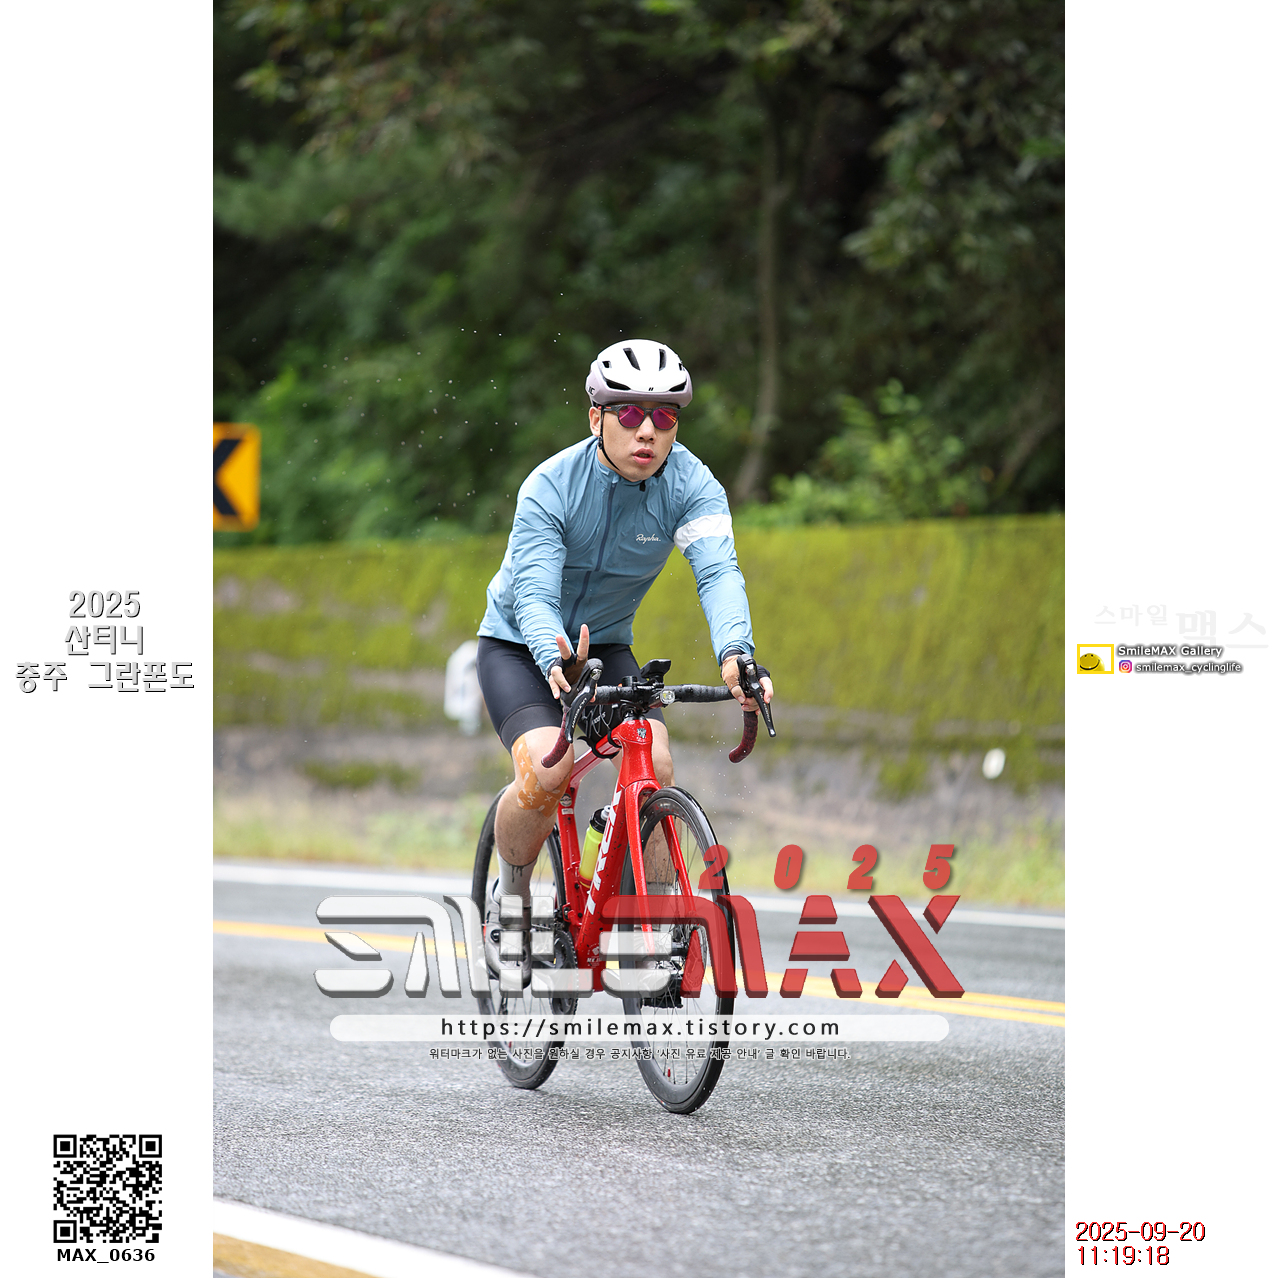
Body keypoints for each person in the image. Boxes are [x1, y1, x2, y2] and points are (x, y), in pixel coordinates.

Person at [475, 338, 774, 983]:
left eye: (664, 416)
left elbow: (718, 572)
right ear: (596, 418)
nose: (647, 430)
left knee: (654, 763)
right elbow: (533, 593)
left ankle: (654, 926)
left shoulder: (692, 486)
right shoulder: (550, 486)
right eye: (631, 413)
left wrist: (736, 653)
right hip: (521, 644)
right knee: (545, 770)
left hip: (606, 645)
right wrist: (551, 656)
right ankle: (513, 905)